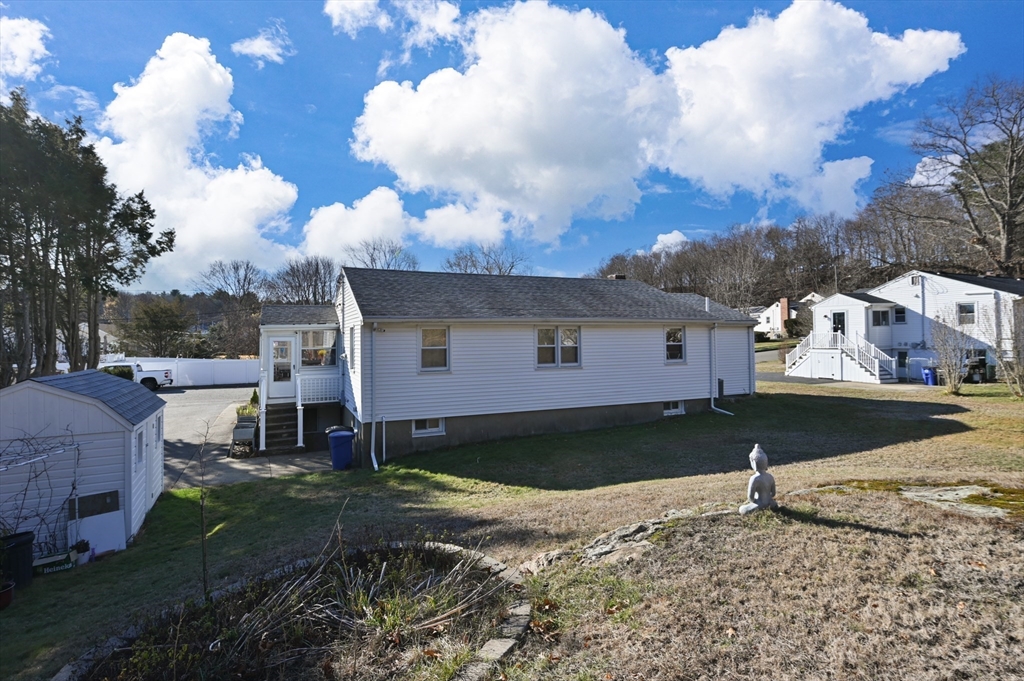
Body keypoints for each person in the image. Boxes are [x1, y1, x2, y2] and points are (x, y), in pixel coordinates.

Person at [739, 444, 778, 515]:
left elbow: (750, 498)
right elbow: (773, 494)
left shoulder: (754, 478)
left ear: (754, 463)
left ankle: (761, 507)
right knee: (775, 504)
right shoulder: (770, 476)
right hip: (770, 503)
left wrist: (756, 500)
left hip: (759, 504)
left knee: (742, 509)